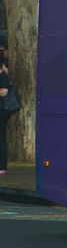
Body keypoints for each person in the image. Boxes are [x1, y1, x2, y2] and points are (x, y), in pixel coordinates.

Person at [0, 41, 11, 176]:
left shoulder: (3, 76)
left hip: (2, 111)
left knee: (1, 137)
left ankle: (2, 165)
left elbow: (4, 92)